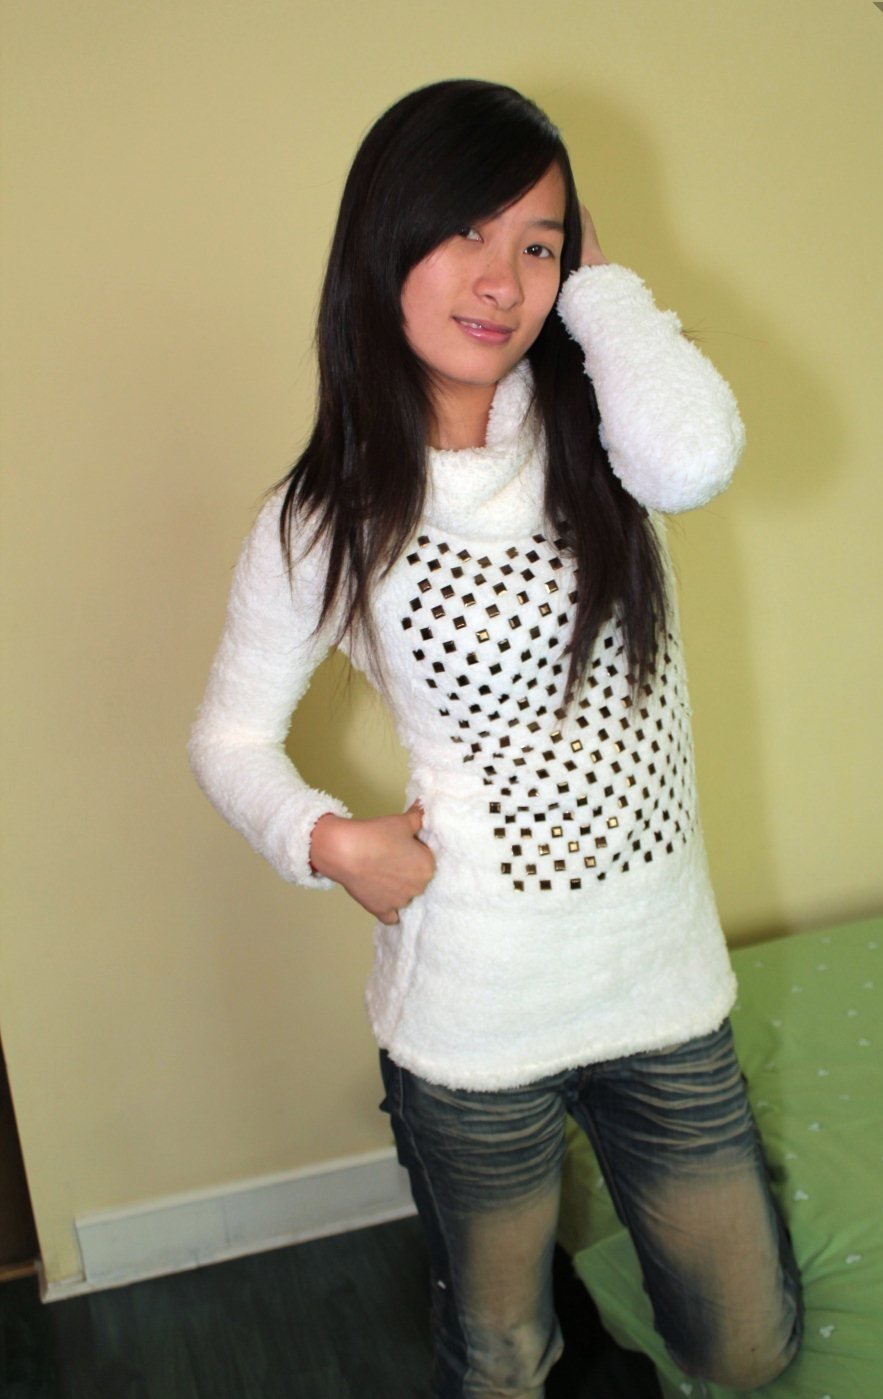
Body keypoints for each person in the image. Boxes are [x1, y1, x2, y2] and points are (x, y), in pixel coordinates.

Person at [189, 79, 803, 1399]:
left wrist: (601, 290)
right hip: (474, 1016)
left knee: (746, 1349)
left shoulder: (606, 433)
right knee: (504, 1356)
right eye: (465, 230)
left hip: (659, 987)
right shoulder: (325, 517)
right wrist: (327, 841)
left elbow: (696, 459)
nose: (501, 278)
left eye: (538, 242)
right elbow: (230, 738)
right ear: (384, 244)